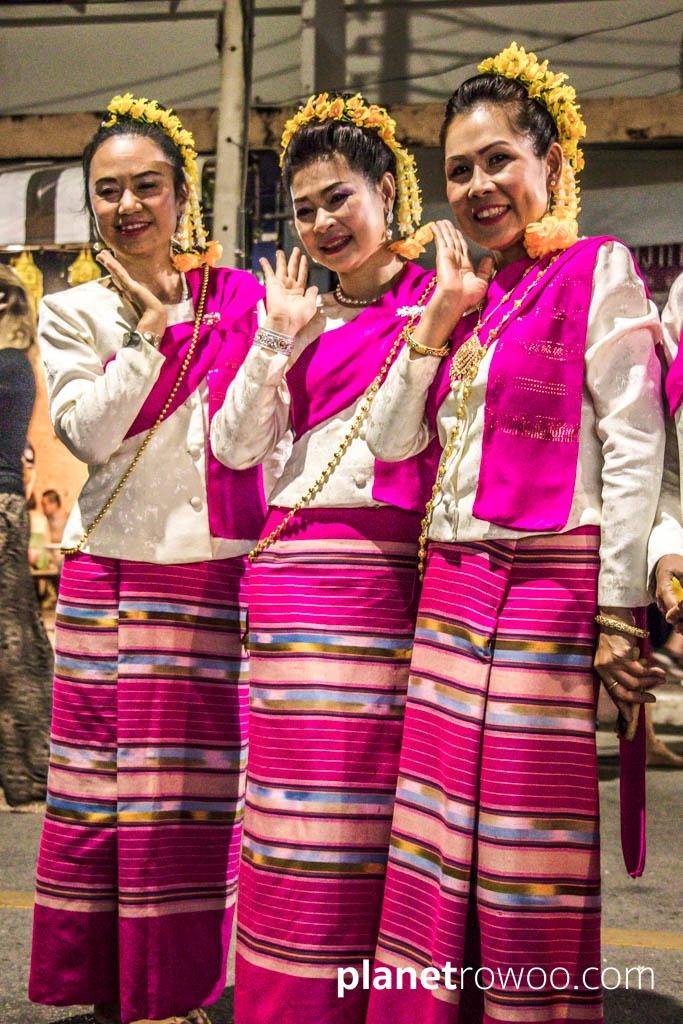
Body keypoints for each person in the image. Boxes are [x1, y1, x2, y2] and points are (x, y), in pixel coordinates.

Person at [363, 44, 666, 1023]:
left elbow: (632, 449)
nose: (478, 185)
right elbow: (392, 447)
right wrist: (434, 321)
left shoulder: (598, 271)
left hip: (543, 593)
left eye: (498, 160)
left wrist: (618, 612)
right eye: (458, 169)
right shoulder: (467, 303)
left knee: (522, 849)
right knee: (434, 844)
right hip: (447, 593)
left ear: (550, 166)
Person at [211, 92, 467, 1024]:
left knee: (370, 815)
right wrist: (274, 337)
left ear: (387, 190)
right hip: (284, 585)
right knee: (285, 817)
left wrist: (434, 322)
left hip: (380, 583)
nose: (321, 223)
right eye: (305, 207)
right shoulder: (296, 318)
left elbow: (409, 450)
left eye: (339, 198)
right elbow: (236, 449)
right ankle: (290, 1003)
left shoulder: (442, 299)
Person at [29, 94, 271, 1024]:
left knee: (198, 799)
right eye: (109, 191)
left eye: (148, 186)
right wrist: (152, 330)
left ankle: (185, 985)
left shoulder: (239, 300)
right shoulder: (72, 309)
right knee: (102, 796)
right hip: (112, 573)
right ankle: (109, 986)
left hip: (210, 568)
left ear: (182, 194)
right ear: (92, 205)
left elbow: (245, 437)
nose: (130, 205)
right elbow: (88, 435)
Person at [0, 265, 54, 808]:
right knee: (16, 643)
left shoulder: (12, 364)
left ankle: (33, 768)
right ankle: (29, 769)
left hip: (1, 509)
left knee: (14, 646)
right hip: (7, 508)